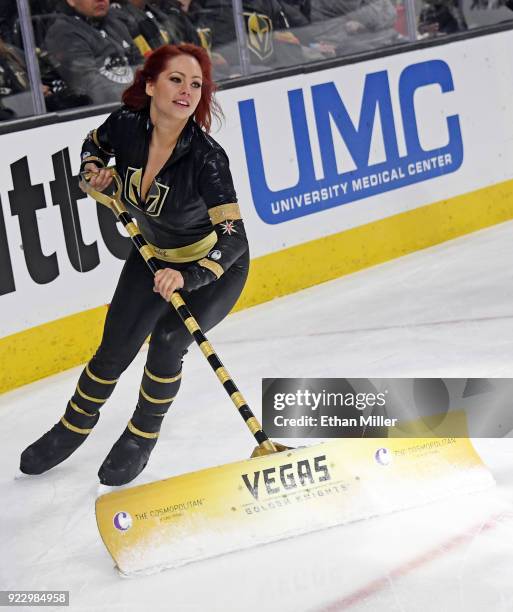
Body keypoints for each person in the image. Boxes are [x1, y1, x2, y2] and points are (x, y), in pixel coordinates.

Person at [19, 43, 249, 487]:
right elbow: (92, 148)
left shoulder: (206, 157)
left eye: (196, 84)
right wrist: (94, 173)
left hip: (213, 269)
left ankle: (140, 436)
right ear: (149, 85)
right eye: (176, 80)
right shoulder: (125, 126)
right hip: (150, 257)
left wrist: (190, 275)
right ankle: (72, 428)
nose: (187, 91)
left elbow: (234, 238)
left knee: (166, 341)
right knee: (114, 350)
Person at [44, 0, 142, 105]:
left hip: (133, 102)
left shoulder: (116, 22)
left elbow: (141, 65)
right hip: (100, 113)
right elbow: (91, 88)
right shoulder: (63, 34)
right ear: (71, 1)